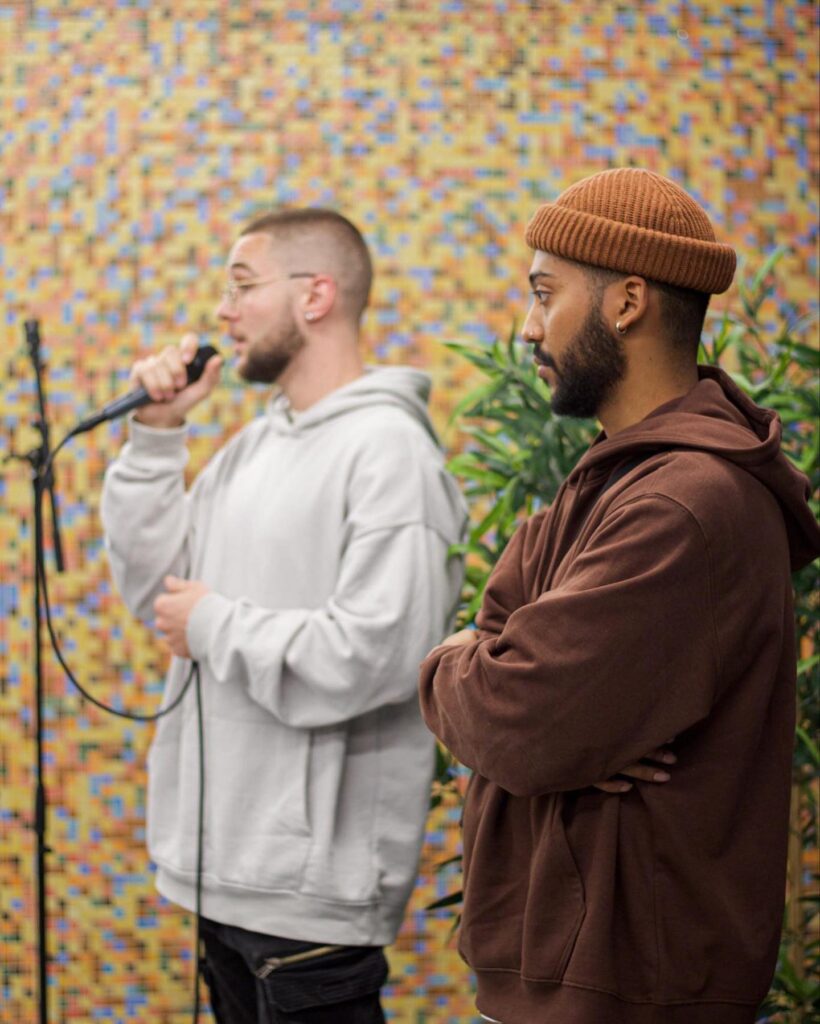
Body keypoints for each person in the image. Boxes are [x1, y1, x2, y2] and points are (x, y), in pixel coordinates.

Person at [418, 168, 820, 1024]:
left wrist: (467, 670)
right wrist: (508, 686)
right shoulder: (611, 482)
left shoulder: (683, 505)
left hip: (631, 992)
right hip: (575, 982)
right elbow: (515, 681)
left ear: (628, 301)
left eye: (544, 295)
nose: (529, 327)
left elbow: (521, 719)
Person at [100, 208, 468, 1023]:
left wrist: (214, 625)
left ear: (316, 296)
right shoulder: (253, 449)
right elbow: (160, 595)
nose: (222, 312)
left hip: (310, 909)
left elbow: (378, 653)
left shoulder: (391, 453)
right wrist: (156, 436)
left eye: (242, 286)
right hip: (220, 882)